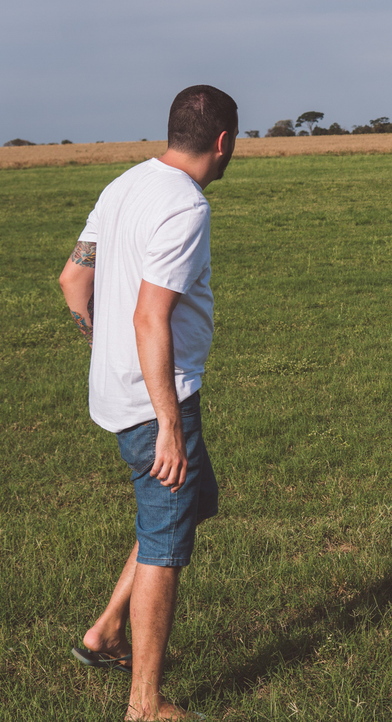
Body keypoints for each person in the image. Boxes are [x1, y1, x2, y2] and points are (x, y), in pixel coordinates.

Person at [58, 84, 237, 721]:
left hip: (119, 390)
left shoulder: (123, 185)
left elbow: (73, 278)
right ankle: (145, 704)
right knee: (164, 540)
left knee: (196, 502)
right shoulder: (187, 207)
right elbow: (149, 316)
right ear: (223, 142)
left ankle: (103, 632)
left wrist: (98, 344)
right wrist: (167, 423)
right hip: (155, 403)